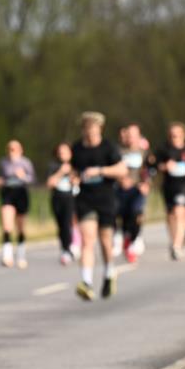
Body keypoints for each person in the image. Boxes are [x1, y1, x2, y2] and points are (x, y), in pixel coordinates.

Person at [70, 111, 126, 300]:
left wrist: (100, 170)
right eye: (86, 128)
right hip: (85, 199)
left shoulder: (109, 147)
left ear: (99, 129)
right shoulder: (77, 148)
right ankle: (86, 282)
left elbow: (122, 169)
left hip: (106, 198)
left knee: (105, 241)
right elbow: (73, 170)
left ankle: (110, 272)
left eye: (93, 129)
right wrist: (74, 178)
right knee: (87, 240)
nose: (90, 132)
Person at [154, 122, 185, 261]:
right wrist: (164, 166)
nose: (174, 137)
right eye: (172, 134)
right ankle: (175, 241)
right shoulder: (164, 149)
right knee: (171, 215)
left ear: (183, 134)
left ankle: (177, 246)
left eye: (177, 134)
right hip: (168, 185)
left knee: (179, 212)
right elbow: (155, 165)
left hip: (183, 186)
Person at [0, 140, 35, 269]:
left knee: (21, 227)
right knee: (7, 226)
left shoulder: (25, 162)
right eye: (9, 149)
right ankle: (7, 256)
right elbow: (0, 177)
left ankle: (21, 255)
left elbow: (32, 179)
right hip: (8, 194)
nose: (11, 151)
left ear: (20, 150)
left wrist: (23, 176)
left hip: (21, 193)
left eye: (14, 149)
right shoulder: (3, 162)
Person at [115, 123, 150, 264]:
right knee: (123, 218)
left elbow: (149, 171)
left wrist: (146, 183)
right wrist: (121, 179)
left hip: (137, 190)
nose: (131, 138)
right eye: (128, 135)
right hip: (121, 190)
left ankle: (134, 240)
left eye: (133, 135)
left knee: (137, 214)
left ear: (138, 136)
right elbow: (112, 168)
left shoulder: (144, 153)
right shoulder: (118, 152)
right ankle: (126, 240)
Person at [46, 143, 77, 266]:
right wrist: (61, 172)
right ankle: (64, 248)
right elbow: (50, 183)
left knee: (67, 223)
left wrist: (73, 177)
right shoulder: (54, 166)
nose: (62, 154)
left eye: (65, 151)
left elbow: (78, 181)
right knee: (60, 225)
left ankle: (68, 249)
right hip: (57, 198)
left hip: (70, 198)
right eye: (60, 152)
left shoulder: (75, 165)